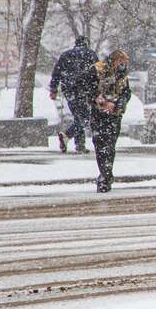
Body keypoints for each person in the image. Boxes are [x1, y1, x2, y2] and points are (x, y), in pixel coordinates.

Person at [48, 34, 98, 153]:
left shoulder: (66, 55)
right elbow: (97, 73)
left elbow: (56, 72)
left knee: (78, 116)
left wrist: (53, 90)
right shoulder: (90, 54)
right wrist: (97, 90)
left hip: (69, 91)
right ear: (86, 43)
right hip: (85, 91)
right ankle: (67, 135)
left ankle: (80, 145)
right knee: (85, 118)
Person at [90, 49, 132, 192]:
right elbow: (85, 88)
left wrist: (118, 103)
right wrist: (98, 99)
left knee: (110, 145)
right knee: (100, 144)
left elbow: (126, 92)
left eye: (125, 63)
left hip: (114, 115)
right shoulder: (97, 70)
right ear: (113, 61)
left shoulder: (123, 75)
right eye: (120, 62)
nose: (123, 65)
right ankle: (105, 175)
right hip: (99, 114)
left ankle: (106, 175)